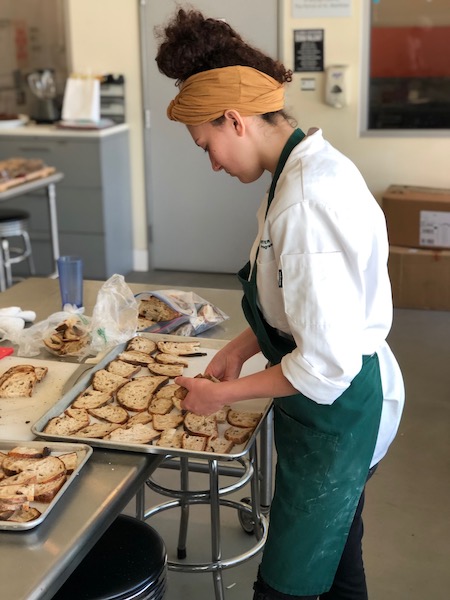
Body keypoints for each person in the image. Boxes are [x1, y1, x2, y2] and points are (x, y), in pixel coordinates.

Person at [155, 8, 405, 600]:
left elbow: (325, 365)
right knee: (341, 562)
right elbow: (295, 304)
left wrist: (221, 394)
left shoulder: (306, 203)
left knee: (288, 585)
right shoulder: (294, 172)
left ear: (236, 121)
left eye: (207, 145)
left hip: (342, 411)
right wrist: (242, 347)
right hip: (330, 409)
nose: (212, 162)